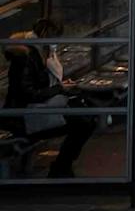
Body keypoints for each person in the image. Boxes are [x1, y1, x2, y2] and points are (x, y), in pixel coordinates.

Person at [4, 17, 98, 177]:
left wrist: (60, 88)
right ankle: (61, 167)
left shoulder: (41, 53)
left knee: (88, 114)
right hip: (23, 117)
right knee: (83, 123)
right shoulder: (27, 57)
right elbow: (28, 94)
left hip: (38, 109)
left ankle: (62, 166)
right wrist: (59, 88)